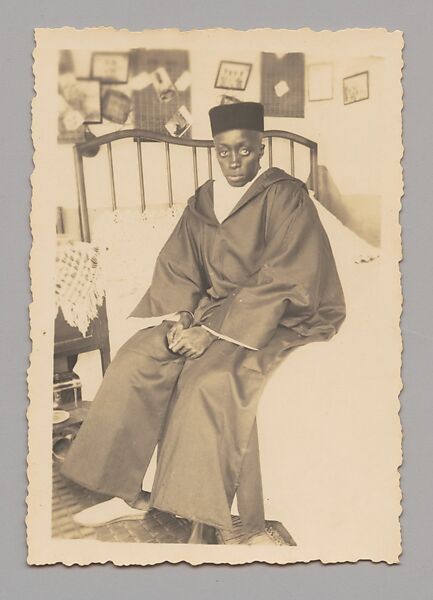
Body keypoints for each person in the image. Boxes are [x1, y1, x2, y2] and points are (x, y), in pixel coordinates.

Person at [61, 102, 346, 544]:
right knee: (137, 356)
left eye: (245, 151)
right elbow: (182, 265)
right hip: (211, 309)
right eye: (224, 152)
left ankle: (197, 511)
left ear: (261, 148)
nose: (234, 162)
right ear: (215, 150)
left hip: (276, 311)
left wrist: (211, 332)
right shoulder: (204, 199)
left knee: (211, 380)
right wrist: (184, 317)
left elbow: (286, 274)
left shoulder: (286, 194)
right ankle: (129, 494)